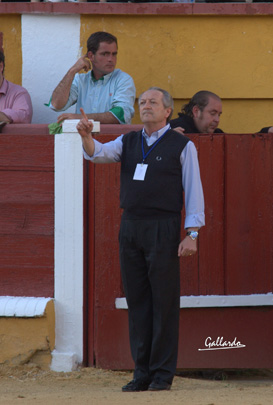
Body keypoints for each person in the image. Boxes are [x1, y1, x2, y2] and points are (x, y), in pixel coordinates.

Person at [77, 87, 205, 392]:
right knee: (138, 301)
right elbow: (100, 154)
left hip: (164, 226)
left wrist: (192, 233)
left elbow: (194, 190)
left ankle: (162, 374)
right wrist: (85, 137)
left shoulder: (182, 145)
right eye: (142, 102)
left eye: (153, 102)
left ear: (167, 111)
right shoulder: (129, 140)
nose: (145, 106)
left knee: (163, 302)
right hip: (131, 226)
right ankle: (142, 372)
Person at [48, 31, 136, 125]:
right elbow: (56, 105)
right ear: (91, 56)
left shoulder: (123, 79)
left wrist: (80, 118)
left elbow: (120, 115)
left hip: (112, 139)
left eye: (114, 54)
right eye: (105, 54)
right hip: (82, 138)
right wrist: (72, 71)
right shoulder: (80, 80)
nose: (111, 59)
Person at [170, 90, 273, 141]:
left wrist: (267, 131)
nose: (217, 120)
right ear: (196, 111)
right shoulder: (172, 130)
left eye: (219, 115)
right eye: (212, 113)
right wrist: (165, 139)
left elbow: (243, 145)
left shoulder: (217, 135)